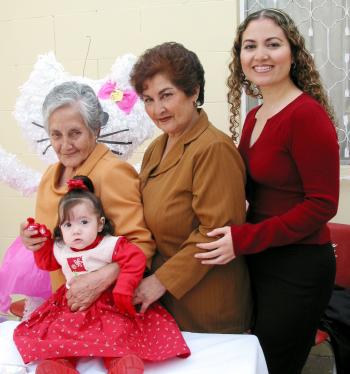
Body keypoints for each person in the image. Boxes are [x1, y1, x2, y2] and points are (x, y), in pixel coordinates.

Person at [195, 8, 340, 374]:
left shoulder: (305, 115)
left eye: (272, 44)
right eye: (250, 46)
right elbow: (244, 186)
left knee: (273, 366)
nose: (260, 55)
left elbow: (322, 205)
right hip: (259, 258)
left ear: (292, 53)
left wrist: (244, 239)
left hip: (298, 268)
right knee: (249, 360)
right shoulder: (255, 115)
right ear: (239, 57)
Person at [130, 42, 252, 333]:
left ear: (194, 91)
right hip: (163, 300)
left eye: (166, 95)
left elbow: (215, 233)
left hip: (206, 304)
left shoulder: (213, 148)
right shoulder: (156, 148)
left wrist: (159, 282)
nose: (157, 109)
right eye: (148, 99)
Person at [14, 176, 190, 374]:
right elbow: (46, 262)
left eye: (83, 222)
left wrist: (124, 289)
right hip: (73, 303)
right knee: (59, 329)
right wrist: (41, 243)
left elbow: (135, 258)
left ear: (99, 224)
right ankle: (60, 363)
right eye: (68, 225)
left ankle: (120, 361)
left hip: (108, 303)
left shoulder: (109, 244)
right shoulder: (62, 248)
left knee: (117, 330)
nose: (76, 231)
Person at [19, 81, 155, 312]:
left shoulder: (112, 173)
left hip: (107, 311)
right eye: (56, 135)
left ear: (96, 130)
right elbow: (58, 245)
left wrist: (100, 279)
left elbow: (141, 246)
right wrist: (33, 239)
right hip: (67, 308)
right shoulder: (50, 175)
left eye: (75, 133)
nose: (65, 145)